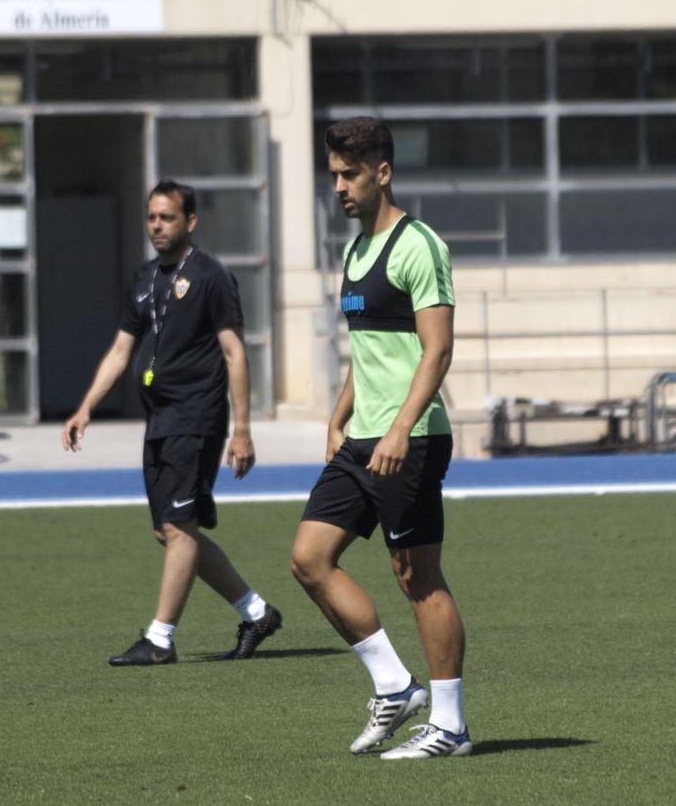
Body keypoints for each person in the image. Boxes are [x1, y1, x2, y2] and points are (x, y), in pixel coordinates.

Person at [290, 117, 470, 759]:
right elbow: (365, 352)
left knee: (416, 577)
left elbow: (437, 350)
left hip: (412, 437)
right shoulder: (352, 250)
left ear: (382, 173)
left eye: (349, 174)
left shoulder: (419, 245)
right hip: (363, 437)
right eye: (333, 174)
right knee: (309, 558)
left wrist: (398, 427)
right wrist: (339, 417)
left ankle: (449, 726)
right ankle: (394, 685)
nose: (338, 186)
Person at [62, 179, 282, 666]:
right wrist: (86, 407)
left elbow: (233, 352)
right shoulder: (142, 278)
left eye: (167, 218)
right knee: (170, 530)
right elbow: (122, 349)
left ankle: (160, 640)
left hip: (197, 414)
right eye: (151, 218)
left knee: (181, 527)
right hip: (159, 418)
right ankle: (256, 611)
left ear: (190, 222)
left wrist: (242, 429)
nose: (156, 226)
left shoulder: (211, 277)